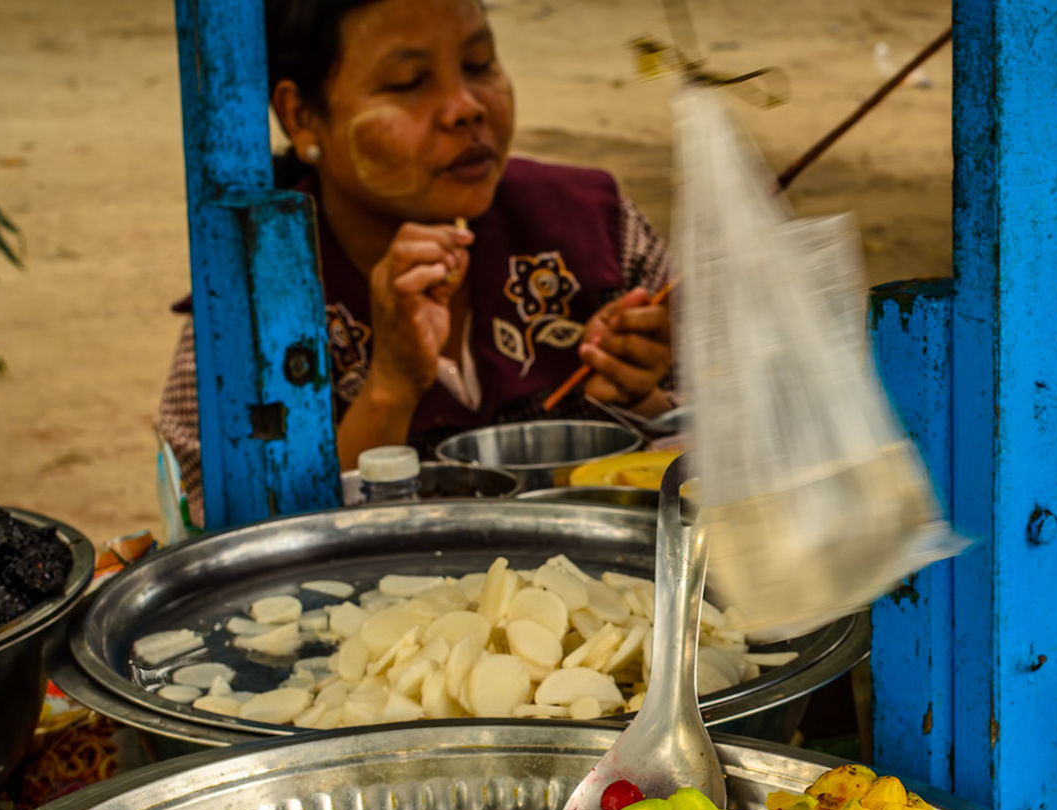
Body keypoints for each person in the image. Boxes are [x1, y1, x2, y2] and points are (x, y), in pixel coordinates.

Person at [155, 0, 676, 526]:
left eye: (479, 64)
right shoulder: (244, 309)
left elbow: (722, 450)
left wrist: (642, 399)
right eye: (408, 82)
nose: (465, 108)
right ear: (303, 117)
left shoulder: (599, 229)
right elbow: (219, 529)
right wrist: (390, 387)